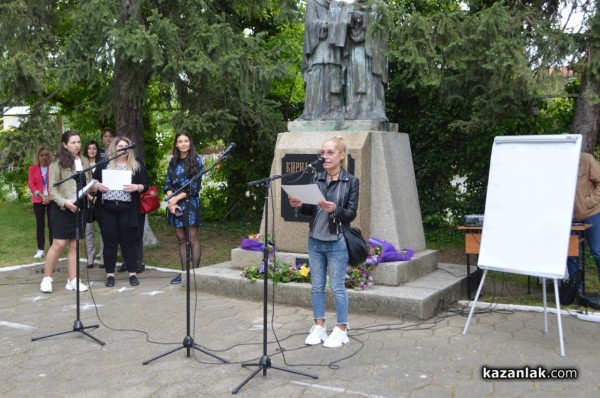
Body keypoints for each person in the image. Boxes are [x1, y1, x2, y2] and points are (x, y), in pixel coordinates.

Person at [288, 137, 359, 348]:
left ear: (341, 155)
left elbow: (351, 214)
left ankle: (341, 329)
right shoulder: (316, 178)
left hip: (336, 240)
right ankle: (319, 326)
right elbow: (310, 210)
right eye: (323, 153)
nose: (324, 157)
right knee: (316, 286)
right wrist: (299, 205)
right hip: (315, 240)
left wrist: (334, 210)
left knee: (337, 287)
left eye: (329, 153)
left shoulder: (351, 182)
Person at [39, 131, 93, 293]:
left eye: (78, 142)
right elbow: (52, 189)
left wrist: (95, 186)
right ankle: (46, 279)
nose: (77, 145)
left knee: (75, 244)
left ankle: (73, 280)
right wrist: (65, 202)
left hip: (80, 207)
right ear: (64, 144)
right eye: (73, 142)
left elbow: (88, 182)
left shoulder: (84, 161)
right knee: (59, 243)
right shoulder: (57, 162)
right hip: (62, 207)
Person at [93, 136, 149, 287]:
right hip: (107, 209)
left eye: (126, 146)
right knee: (109, 243)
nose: (123, 149)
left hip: (128, 210)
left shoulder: (136, 164)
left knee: (128, 243)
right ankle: (110, 275)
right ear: (114, 148)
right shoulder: (104, 164)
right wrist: (97, 186)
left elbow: (146, 184)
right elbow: (93, 182)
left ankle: (132, 274)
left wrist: (136, 187)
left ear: (129, 148)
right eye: (120, 147)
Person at [164, 131, 205, 284]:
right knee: (181, 239)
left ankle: (194, 275)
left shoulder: (196, 160)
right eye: (180, 141)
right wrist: (171, 200)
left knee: (192, 239)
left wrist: (175, 198)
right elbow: (167, 182)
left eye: (186, 141)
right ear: (176, 144)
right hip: (175, 205)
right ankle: (184, 273)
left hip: (190, 203)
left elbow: (194, 186)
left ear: (190, 143)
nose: (183, 144)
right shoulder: (173, 161)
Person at [297, 0, 347, 120]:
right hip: (319, 49)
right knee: (318, 77)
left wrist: (344, 10)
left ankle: (335, 111)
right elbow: (310, 24)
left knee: (335, 78)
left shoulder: (337, 5)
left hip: (334, 50)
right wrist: (323, 25)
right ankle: (314, 112)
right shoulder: (313, 3)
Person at [344, 0, 388, 121]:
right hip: (354, 49)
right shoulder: (350, 7)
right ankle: (354, 111)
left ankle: (374, 111)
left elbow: (381, 24)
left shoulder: (379, 5)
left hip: (373, 51)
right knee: (355, 79)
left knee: (372, 81)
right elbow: (343, 27)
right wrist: (350, 20)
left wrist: (363, 17)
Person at [567, 152, 600, 284]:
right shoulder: (558, 162)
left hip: (592, 213)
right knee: (572, 254)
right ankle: (576, 291)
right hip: (569, 217)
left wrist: (589, 202)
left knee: (597, 251)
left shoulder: (587, 159)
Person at [28, 148, 53, 259]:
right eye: (42, 155)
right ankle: (40, 249)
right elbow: (31, 184)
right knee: (40, 225)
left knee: (52, 225)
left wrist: (50, 197)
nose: (44, 157)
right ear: (38, 157)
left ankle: (53, 249)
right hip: (38, 200)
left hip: (52, 200)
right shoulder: (32, 169)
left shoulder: (52, 168)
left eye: (46, 155)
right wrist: (42, 196)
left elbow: (56, 184)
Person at [83, 140, 103, 268]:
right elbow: (80, 183)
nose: (92, 151)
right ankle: (90, 257)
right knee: (88, 230)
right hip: (87, 201)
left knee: (102, 230)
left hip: (100, 200)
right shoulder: (82, 164)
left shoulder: (102, 163)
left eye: (94, 148)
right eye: (89, 148)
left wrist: (97, 197)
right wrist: (89, 196)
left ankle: (103, 256)